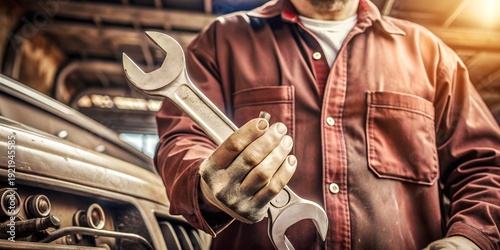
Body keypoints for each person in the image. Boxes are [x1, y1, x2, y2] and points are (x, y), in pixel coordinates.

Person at [154, 0, 500, 249]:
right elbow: (181, 140)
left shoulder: (430, 56)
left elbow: (485, 166)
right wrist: (208, 185)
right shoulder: (221, 41)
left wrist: (468, 238)